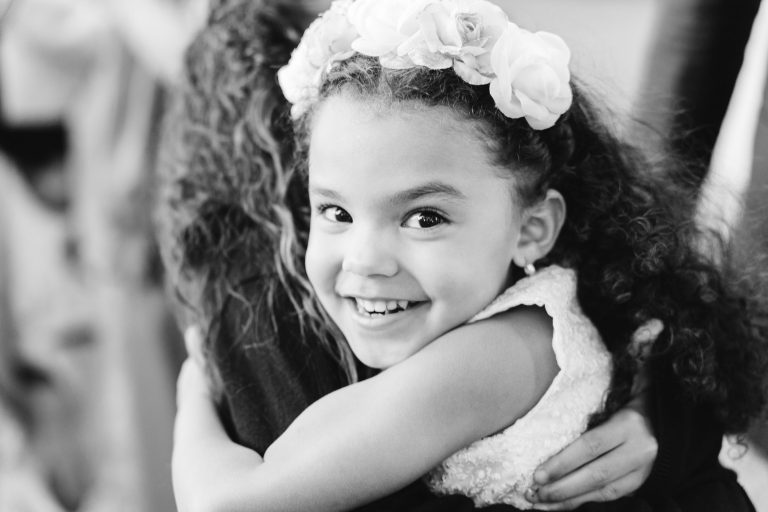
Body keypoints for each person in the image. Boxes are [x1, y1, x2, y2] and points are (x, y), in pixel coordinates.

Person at [159, 1, 766, 510]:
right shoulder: (543, 309)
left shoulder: (492, 357)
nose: (365, 258)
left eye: (425, 218)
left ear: (533, 229)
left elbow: (230, 503)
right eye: (335, 212)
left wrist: (194, 387)